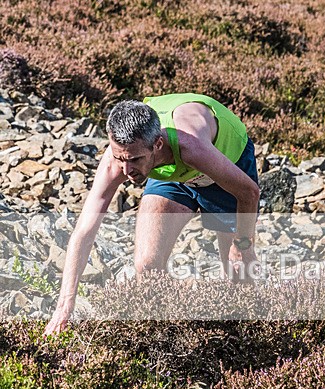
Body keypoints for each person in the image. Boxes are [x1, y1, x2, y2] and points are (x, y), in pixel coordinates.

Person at [44, 93, 261, 335]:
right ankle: (169, 339)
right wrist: (65, 304)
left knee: (237, 270)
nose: (126, 170)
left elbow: (250, 193)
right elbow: (84, 230)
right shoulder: (121, 159)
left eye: (134, 159)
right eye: (120, 158)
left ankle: (248, 340)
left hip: (223, 166)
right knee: (146, 265)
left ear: (157, 144)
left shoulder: (193, 147)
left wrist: (242, 242)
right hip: (172, 175)